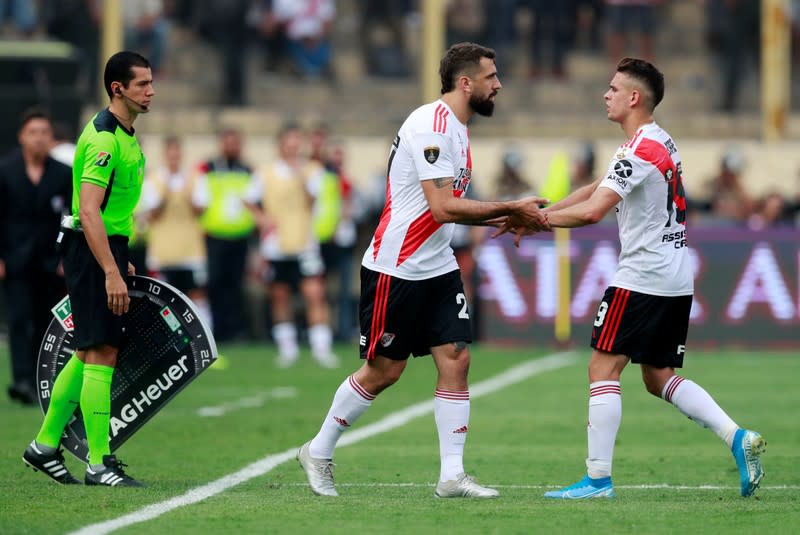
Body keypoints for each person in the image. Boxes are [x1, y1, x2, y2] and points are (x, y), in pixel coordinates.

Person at [500, 57, 765, 499]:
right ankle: (738, 438)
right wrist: (542, 215)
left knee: (602, 366)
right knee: (657, 375)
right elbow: (595, 188)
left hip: (643, 274)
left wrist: (539, 223)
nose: (606, 94)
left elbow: (592, 211)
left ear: (634, 97)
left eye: (613, 88)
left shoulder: (638, 149)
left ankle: (598, 479)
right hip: (675, 274)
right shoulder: (658, 142)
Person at [296, 42, 550, 499]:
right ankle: (318, 449)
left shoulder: (458, 128)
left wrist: (504, 218)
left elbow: (443, 208)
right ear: (466, 83)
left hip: (436, 264)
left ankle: (452, 475)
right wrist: (511, 205)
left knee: (456, 357)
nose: (499, 85)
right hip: (396, 267)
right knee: (383, 372)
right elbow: (443, 205)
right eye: (491, 77)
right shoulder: (430, 125)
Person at [22, 51, 154, 487]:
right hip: (90, 249)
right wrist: (110, 270)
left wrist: (120, 254)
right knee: (102, 353)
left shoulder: (126, 134)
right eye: (142, 84)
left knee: (86, 351)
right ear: (118, 89)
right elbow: (89, 212)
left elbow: (110, 212)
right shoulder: (102, 139)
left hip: (106, 248)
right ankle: (99, 462)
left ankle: (44, 445)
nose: (151, 91)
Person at [244, 123, 338, 368]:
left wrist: (300, 175)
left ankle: (321, 348)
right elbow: (249, 200)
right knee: (279, 296)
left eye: (297, 142)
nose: (294, 146)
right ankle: (288, 349)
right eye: (290, 141)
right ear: (281, 144)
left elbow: (312, 198)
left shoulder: (312, 170)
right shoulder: (265, 172)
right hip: (276, 245)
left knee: (314, 294)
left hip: (305, 243)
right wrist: (261, 218)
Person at [0, 109, 72, 405]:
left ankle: (43, 380)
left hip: (50, 262)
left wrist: (67, 257)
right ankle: (21, 379)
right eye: (33, 132)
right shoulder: (5, 171)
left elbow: (73, 217)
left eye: (45, 132)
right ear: (22, 136)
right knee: (19, 320)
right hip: (15, 259)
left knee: (47, 323)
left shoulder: (63, 173)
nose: (39, 138)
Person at [192, 128, 256, 343]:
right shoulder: (209, 168)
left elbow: (253, 200)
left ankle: (235, 330)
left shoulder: (247, 170)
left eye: (235, 143)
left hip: (240, 237)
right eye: (228, 143)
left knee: (236, 284)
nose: (232, 147)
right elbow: (200, 201)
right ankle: (217, 330)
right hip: (215, 237)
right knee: (215, 283)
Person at [140, 136, 211, 327]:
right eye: (170, 154)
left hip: (191, 249)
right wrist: (166, 192)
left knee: (197, 293)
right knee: (162, 297)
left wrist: (186, 193)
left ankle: (203, 335)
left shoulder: (195, 178)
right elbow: (152, 213)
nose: (174, 158)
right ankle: (167, 336)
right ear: (165, 155)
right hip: (163, 251)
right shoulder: (154, 180)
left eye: (177, 153)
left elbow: (201, 210)